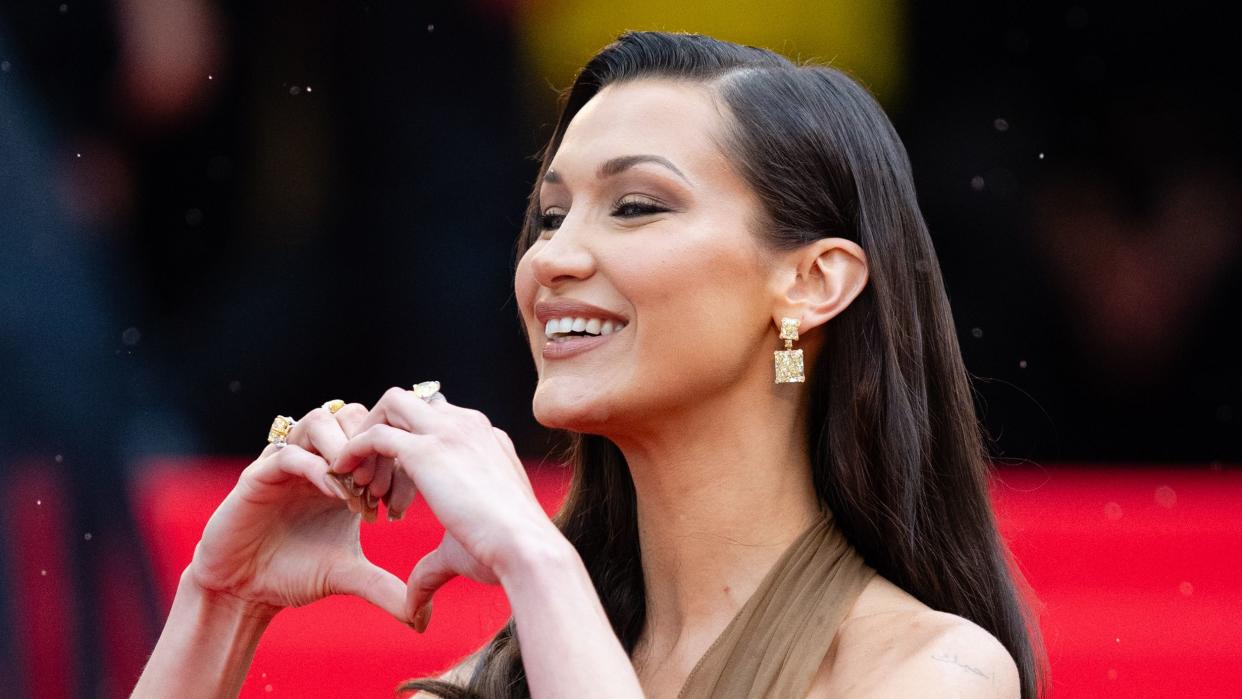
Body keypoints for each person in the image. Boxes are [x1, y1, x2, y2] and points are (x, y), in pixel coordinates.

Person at [132, 31, 1046, 698]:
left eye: (638, 205)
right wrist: (223, 601)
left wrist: (534, 556)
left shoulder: (930, 668)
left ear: (810, 282)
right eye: (553, 213)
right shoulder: (499, 678)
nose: (552, 258)